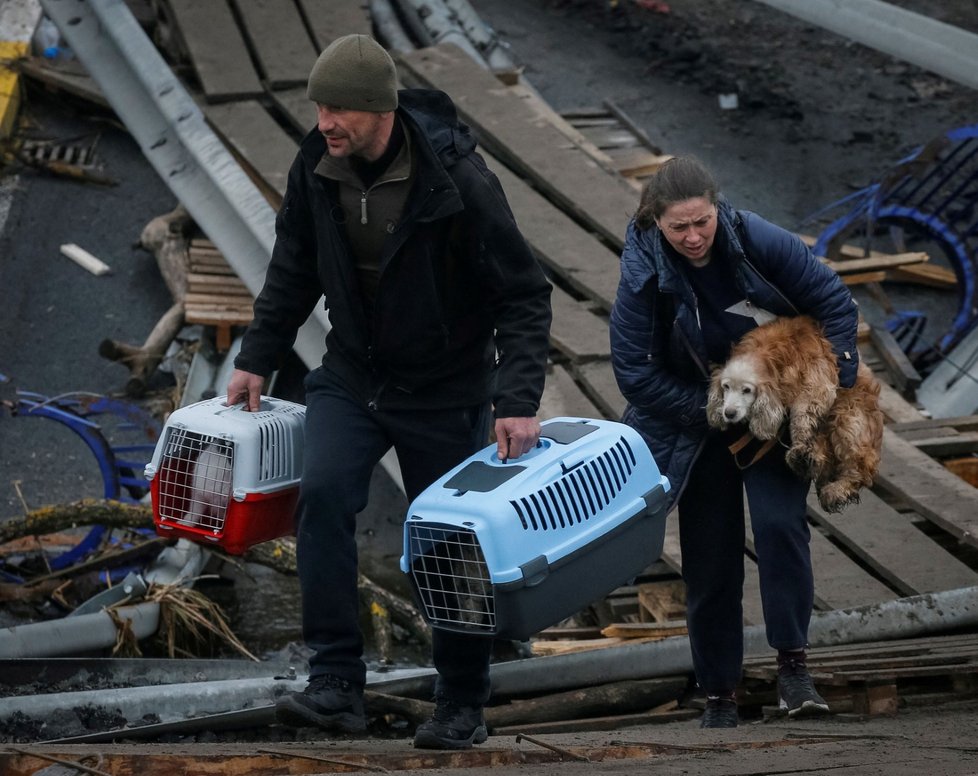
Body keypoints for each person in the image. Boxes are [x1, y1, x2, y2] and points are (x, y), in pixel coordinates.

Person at [226, 34, 552, 749]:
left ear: (379, 110)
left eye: (338, 108)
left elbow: (524, 297)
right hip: (354, 375)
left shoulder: (458, 181)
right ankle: (337, 683)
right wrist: (257, 355)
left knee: (446, 542)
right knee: (324, 498)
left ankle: (462, 702)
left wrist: (517, 399)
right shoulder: (317, 166)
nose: (324, 123)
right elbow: (293, 266)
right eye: (319, 107)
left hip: (444, 387)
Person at [609, 156, 858, 728]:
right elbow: (633, 374)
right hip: (699, 423)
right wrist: (720, 414)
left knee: (780, 528)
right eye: (679, 228)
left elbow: (836, 305)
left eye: (703, 222)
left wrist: (827, 392)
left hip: (774, 412)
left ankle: (794, 673)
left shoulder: (758, 240)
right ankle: (719, 695)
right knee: (710, 559)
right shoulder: (643, 275)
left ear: (717, 209)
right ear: (656, 223)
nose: (694, 237)